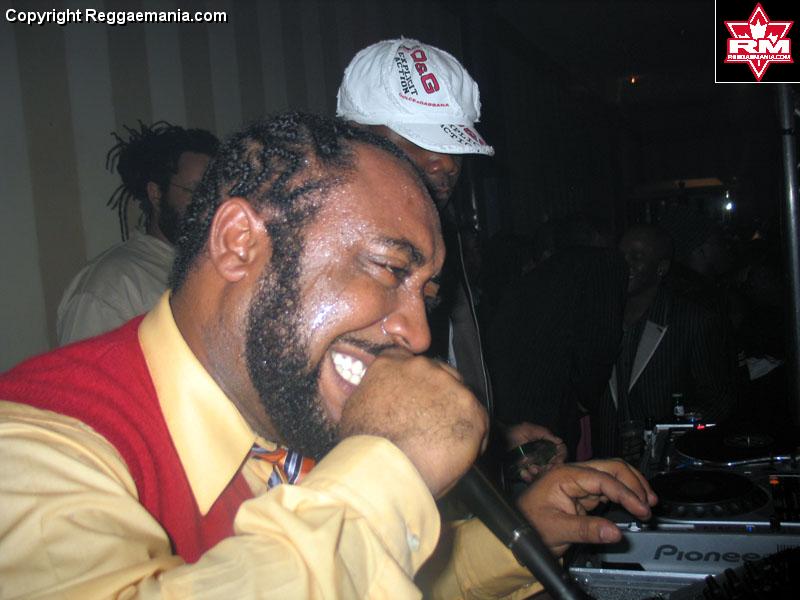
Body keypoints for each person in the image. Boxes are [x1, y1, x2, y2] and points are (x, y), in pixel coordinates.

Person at [0, 113, 656, 599]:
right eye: (388, 268)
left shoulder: (291, 403)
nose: (417, 335)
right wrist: (391, 465)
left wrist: (520, 539)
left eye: (426, 294)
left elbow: (371, 577)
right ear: (239, 242)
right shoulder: (33, 446)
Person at [56, 121, 219, 345]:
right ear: (156, 194)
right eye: (194, 191)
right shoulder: (111, 286)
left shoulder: (216, 270)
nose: (209, 205)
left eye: (215, 193)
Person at [588, 224, 736, 459]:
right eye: (621, 256)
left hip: (665, 466)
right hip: (605, 463)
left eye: (636, 257)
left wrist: (659, 433)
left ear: (661, 268)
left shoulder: (691, 320)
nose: (625, 264)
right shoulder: (597, 319)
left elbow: (717, 402)